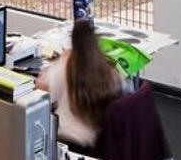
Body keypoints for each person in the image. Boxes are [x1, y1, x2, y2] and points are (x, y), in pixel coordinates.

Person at [37, 18, 123, 148]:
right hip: (95, 139)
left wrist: (59, 60)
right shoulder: (108, 68)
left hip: (66, 137)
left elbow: (42, 87)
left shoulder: (67, 66)